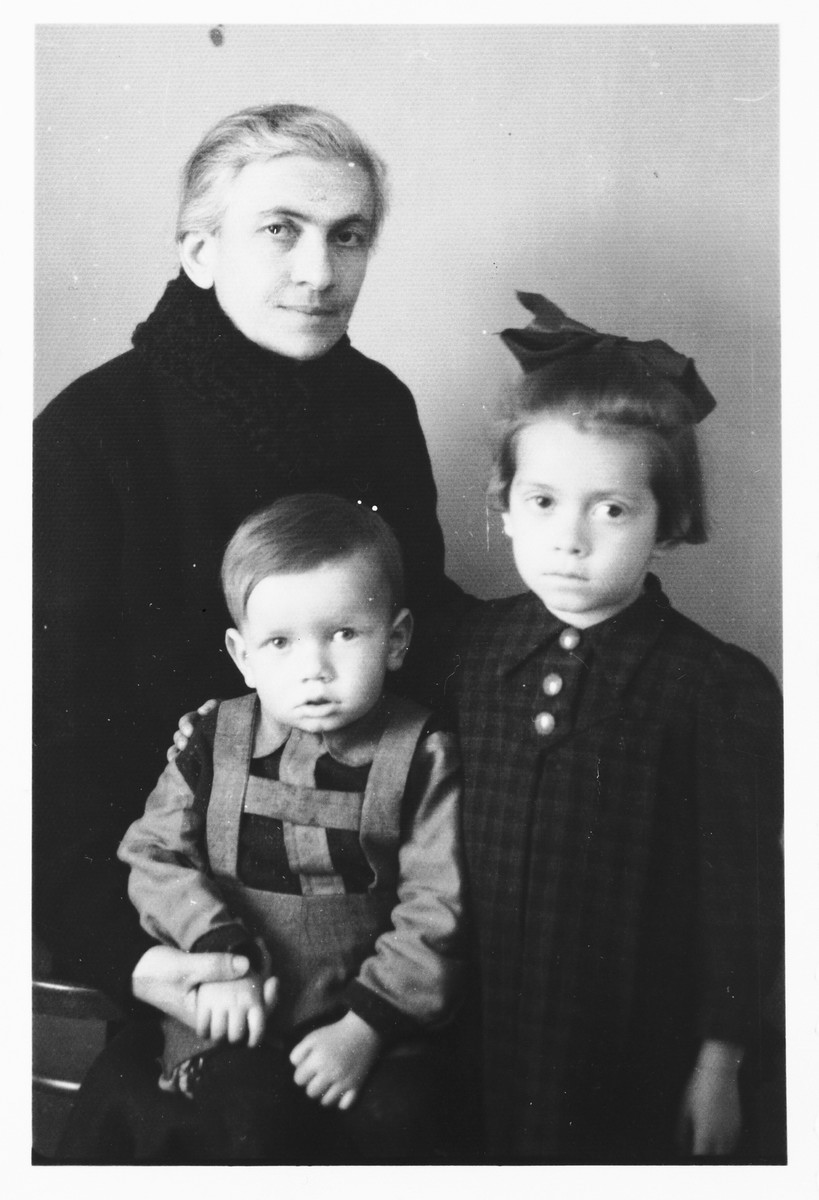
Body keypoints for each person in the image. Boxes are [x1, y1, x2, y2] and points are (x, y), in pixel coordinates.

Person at [33, 104, 465, 1032]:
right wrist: (123, 956)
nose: (320, 273)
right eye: (281, 231)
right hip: (174, 915)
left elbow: (424, 628)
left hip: (367, 900)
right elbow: (42, 725)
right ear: (199, 253)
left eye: (348, 237)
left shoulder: (378, 405)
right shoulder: (88, 433)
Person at [448, 294, 784, 1163]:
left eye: (611, 510)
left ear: (666, 521)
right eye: (544, 500)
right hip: (479, 1030)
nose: (569, 539)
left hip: (635, 1044)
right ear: (505, 506)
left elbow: (741, 899)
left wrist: (721, 1062)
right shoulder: (469, 651)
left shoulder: (715, 689)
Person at [74, 494, 463, 1164]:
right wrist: (215, 955)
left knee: (399, 1121)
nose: (312, 668)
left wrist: (367, 1028)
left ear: (396, 639)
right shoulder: (208, 741)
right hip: (233, 1020)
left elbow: (441, 905)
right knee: (248, 1121)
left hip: (365, 1020)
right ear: (243, 654)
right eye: (280, 642)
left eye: (344, 633)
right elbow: (155, 856)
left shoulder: (422, 752)